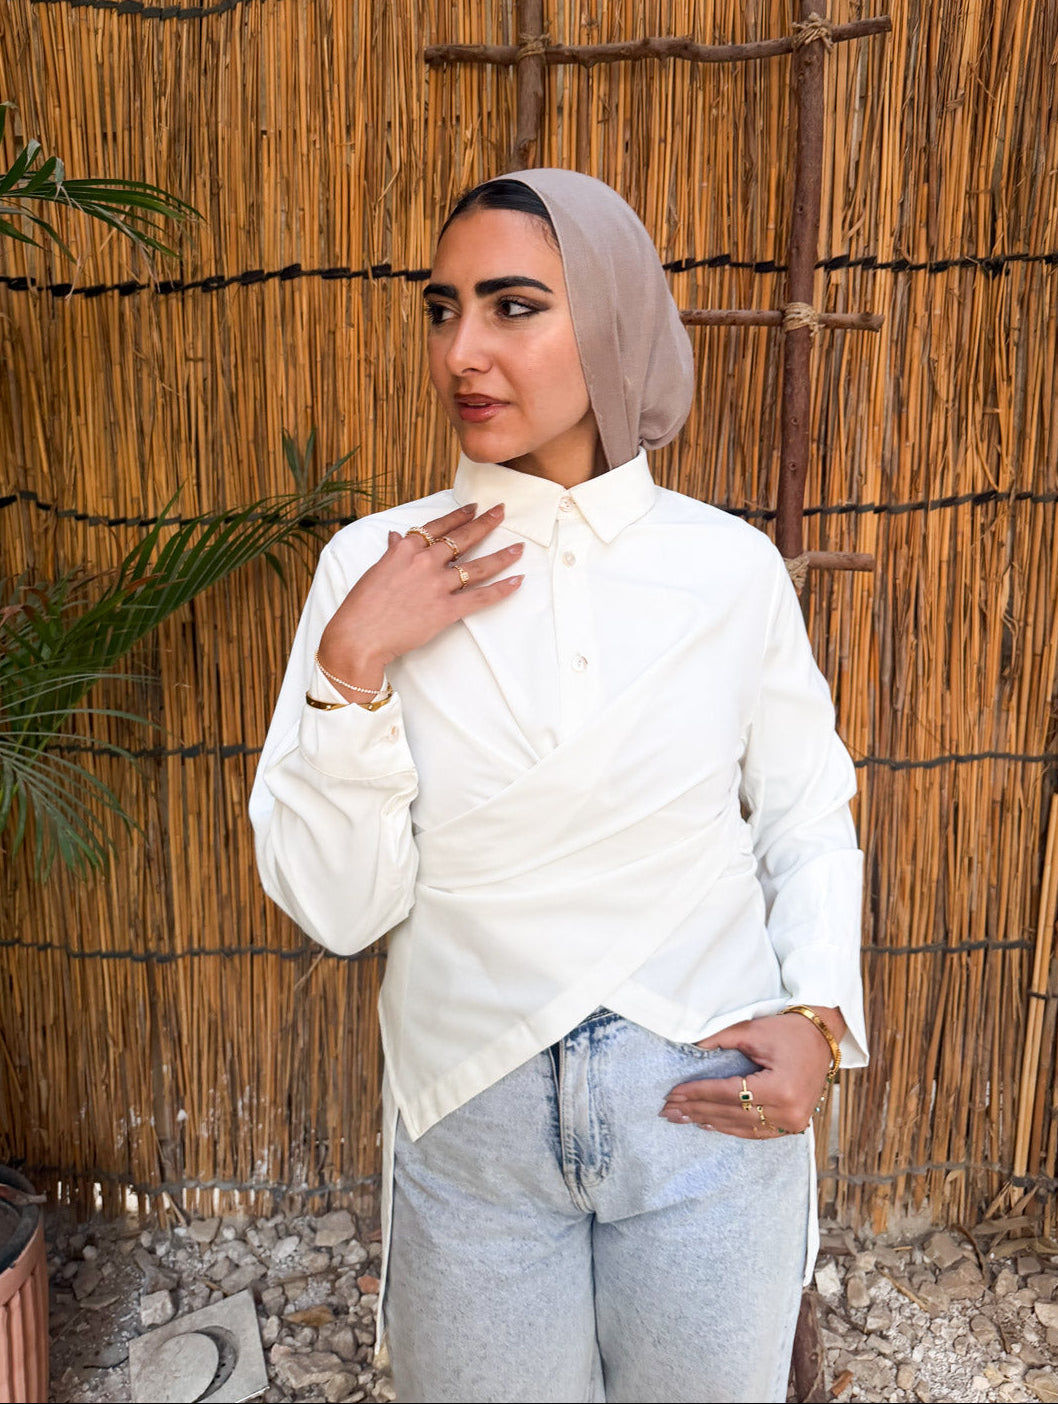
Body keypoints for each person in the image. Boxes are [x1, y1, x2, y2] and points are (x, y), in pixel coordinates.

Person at [249, 168, 867, 1404]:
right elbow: (338, 908)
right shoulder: (365, 568)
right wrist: (352, 665)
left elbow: (804, 810)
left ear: (614, 323)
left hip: (705, 1114)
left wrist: (816, 1022)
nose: (461, 351)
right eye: (441, 310)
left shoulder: (725, 569)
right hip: (469, 1125)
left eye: (511, 307)